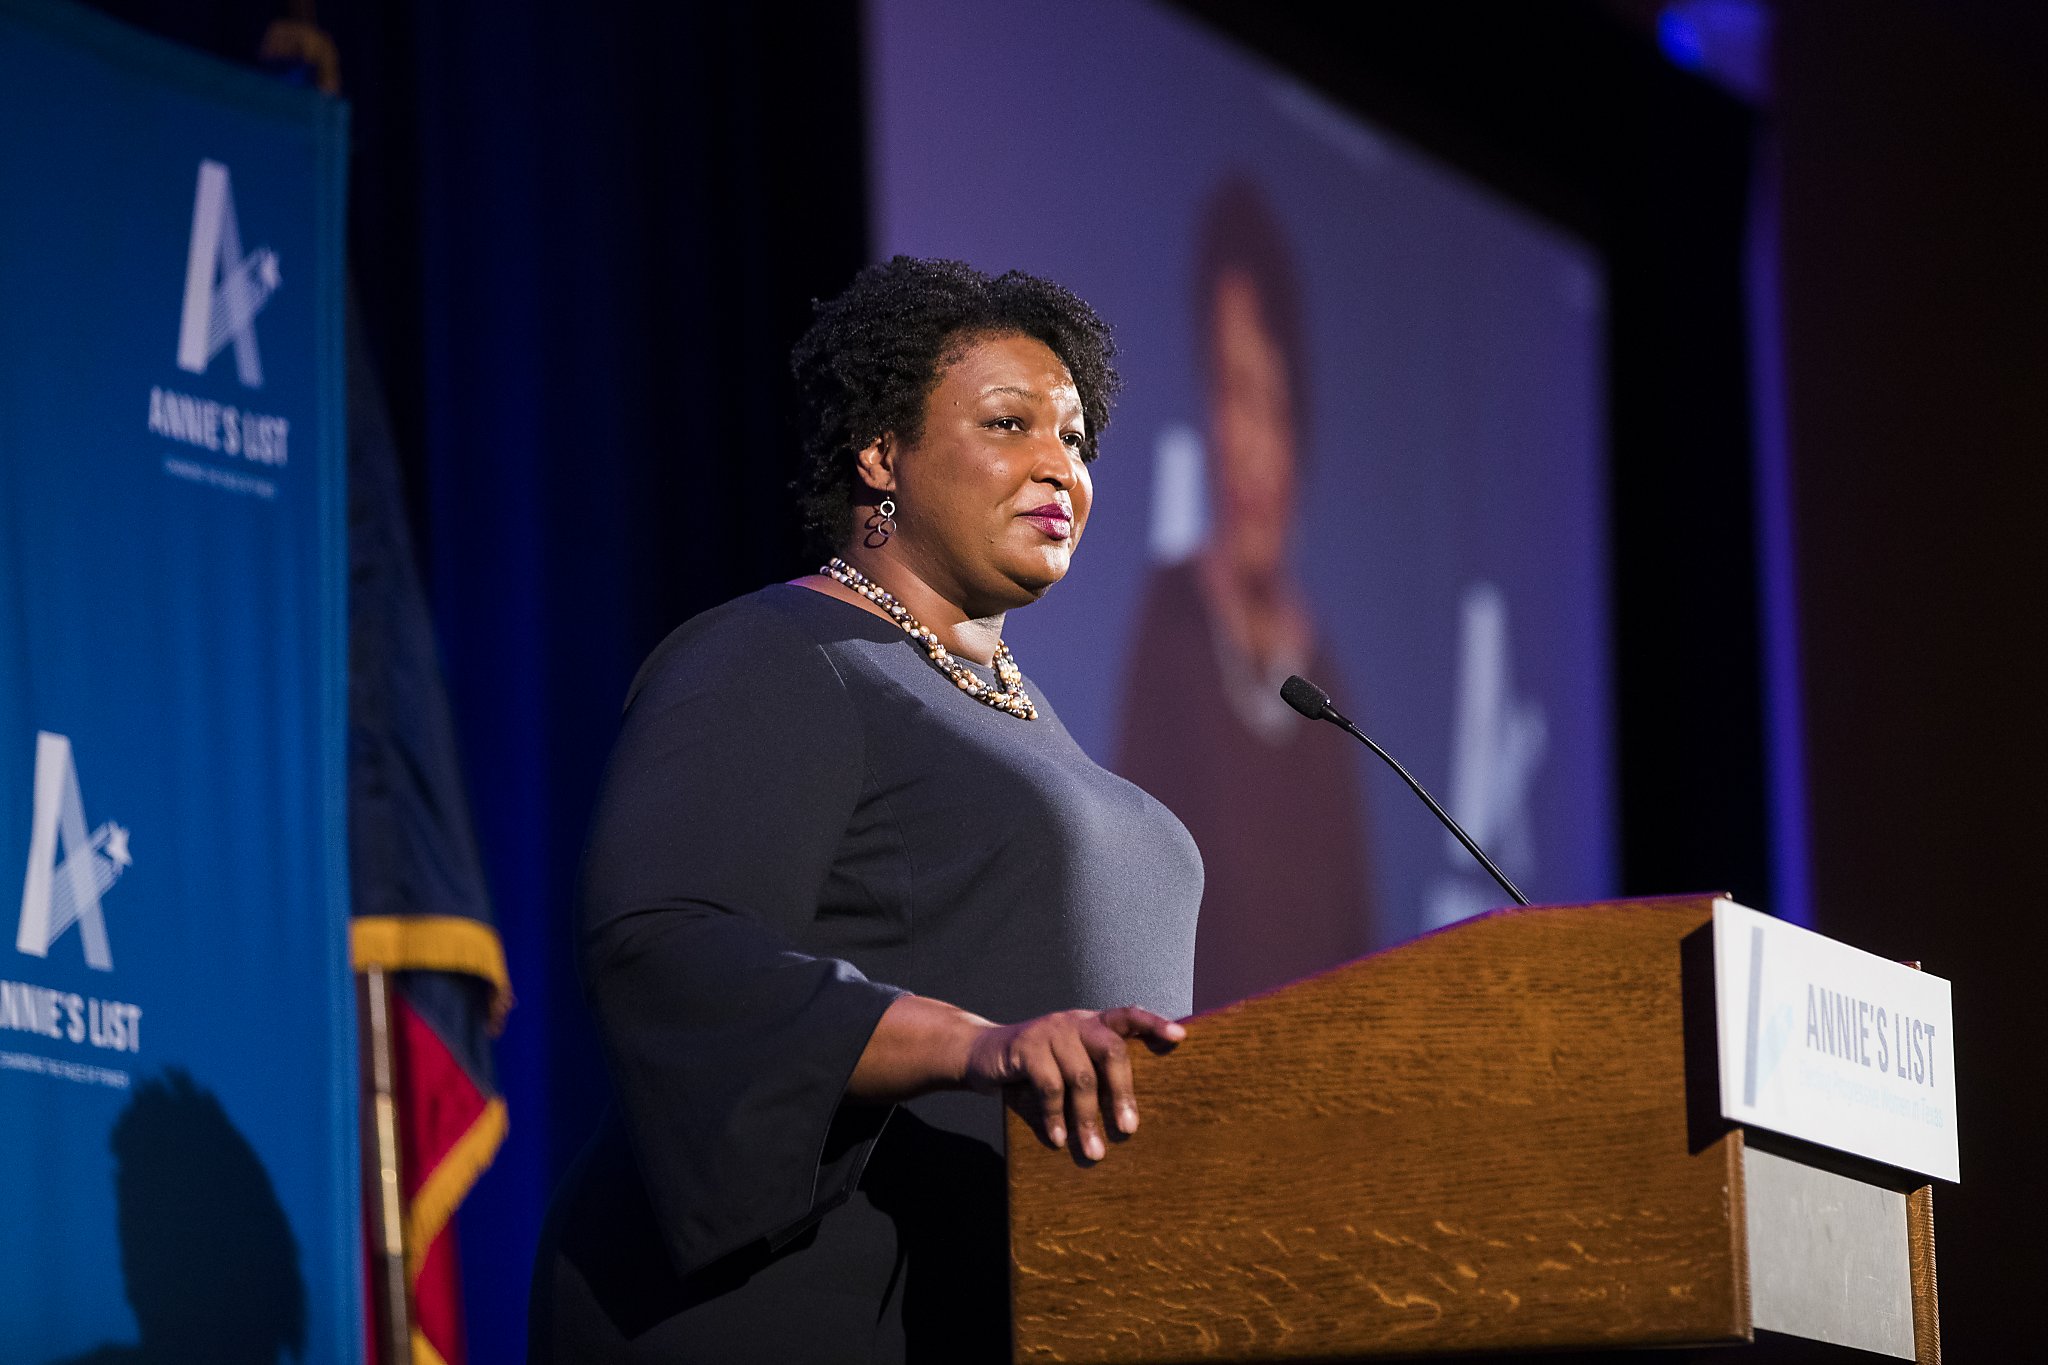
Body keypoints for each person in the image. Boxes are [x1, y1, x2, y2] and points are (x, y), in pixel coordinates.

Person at [530, 257, 1204, 1363]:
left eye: (1075, 441)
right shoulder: (779, 656)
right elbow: (664, 946)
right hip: (806, 1307)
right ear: (880, 453)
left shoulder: (1014, 709)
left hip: (1027, 1304)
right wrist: (977, 1048)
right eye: (1008, 424)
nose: (1060, 469)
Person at [1115, 176, 1379, 1014]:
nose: (1249, 442)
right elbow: (1127, 920)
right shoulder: (1172, 625)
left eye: (1272, 401)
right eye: (1231, 391)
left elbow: (1361, 953)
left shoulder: (1324, 676)